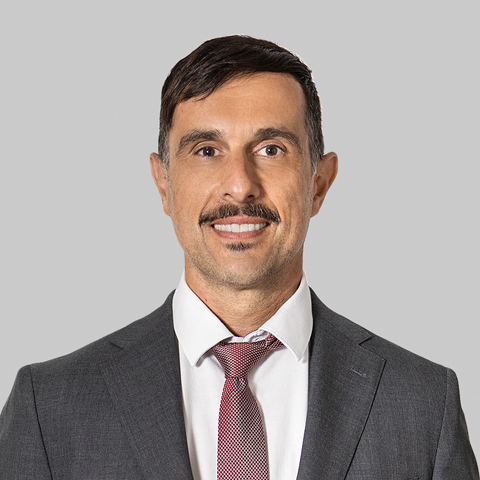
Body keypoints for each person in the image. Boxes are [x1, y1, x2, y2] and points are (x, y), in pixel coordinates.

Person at [0, 35, 477, 480]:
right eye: (207, 150)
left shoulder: (422, 405)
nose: (240, 185)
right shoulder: (49, 407)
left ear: (319, 183)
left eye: (271, 149)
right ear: (164, 184)